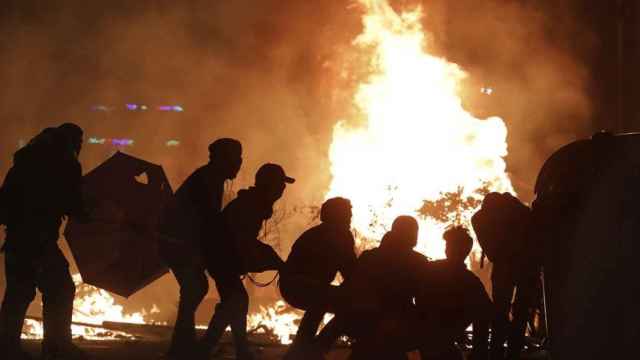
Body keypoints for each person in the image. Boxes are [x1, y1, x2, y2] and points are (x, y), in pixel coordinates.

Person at [0, 123, 89, 360]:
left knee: (18, 293)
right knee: (61, 289)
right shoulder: (65, 163)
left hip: (16, 240)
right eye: (79, 142)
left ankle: (7, 347)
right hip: (39, 241)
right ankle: (56, 346)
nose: (80, 147)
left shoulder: (24, 163)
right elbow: (75, 205)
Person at [198, 163, 294, 360]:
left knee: (237, 301)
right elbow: (242, 241)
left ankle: (238, 349)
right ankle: (205, 349)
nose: (283, 190)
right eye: (280, 184)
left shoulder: (255, 203)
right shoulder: (252, 206)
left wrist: (266, 259)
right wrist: (272, 260)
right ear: (270, 185)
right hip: (220, 258)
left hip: (220, 257)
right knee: (236, 300)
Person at [158, 138, 242, 359]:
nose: (239, 164)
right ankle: (180, 348)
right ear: (223, 160)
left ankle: (181, 346)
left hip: (178, 241)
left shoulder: (210, 178)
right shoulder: (208, 180)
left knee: (194, 289)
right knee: (195, 288)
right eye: (235, 159)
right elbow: (205, 221)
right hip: (177, 241)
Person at [325, 215, 429, 360]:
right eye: (414, 230)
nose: (416, 235)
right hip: (398, 323)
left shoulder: (369, 257)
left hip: (364, 321)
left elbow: (350, 288)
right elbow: (424, 299)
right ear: (409, 233)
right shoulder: (418, 262)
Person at [280, 197, 357, 359]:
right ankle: (315, 350)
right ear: (338, 216)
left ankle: (301, 350)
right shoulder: (339, 235)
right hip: (302, 286)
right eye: (348, 214)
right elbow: (351, 273)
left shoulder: (319, 233)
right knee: (347, 305)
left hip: (295, 286)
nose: (350, 218)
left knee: (323, 301)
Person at [472, 192, 538, 360]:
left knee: (502, 311)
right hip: (524, 265)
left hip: (511, 265)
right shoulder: (516, 212)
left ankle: (498, 351)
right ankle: (511, 352)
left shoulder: (480, 218)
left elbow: (493, 253)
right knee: (518, 311)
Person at [415, 226, 492, 360]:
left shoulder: (428, 270)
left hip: (426, 338)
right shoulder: (470, 282)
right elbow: (486, 315)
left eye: (449, 245)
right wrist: (479, 350)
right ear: (466, 251)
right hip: (443, 339)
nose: (447, 248)